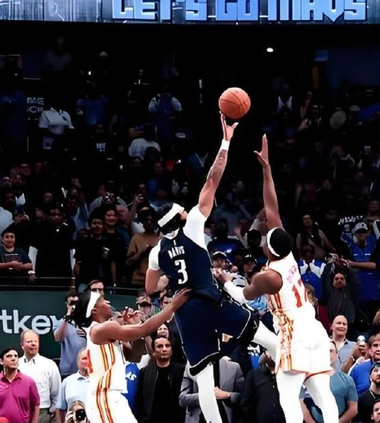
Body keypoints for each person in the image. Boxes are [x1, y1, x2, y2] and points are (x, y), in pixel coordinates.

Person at [144, 115, 278, 423]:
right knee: (273, 342)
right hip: (210, 300)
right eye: (182, 210)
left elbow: (151, 289)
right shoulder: (192, 225)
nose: (186, 210)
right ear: (179, 218)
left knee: (203, 380)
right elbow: (212, 179)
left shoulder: (156, 252)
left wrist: (172, 279)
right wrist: (225, 142)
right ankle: (291, 399)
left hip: (186, 313)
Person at [225, 134, 339, 423]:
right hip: (314, 329)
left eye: (265, 239)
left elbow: (243, 296)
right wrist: (266, 169)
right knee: (323, 394)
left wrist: (225, 280)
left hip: (294, 334)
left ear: (268, 249)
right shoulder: (286, 254)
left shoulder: (270, 277)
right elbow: (272, 207)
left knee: (288, 396)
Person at [68, 288, 189, 423]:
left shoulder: (107, 333)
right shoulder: (100, 329)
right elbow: (144, 330)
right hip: (104, 396)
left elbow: (134, 356)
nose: (108, 302)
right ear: (95, 310)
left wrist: (135, 324)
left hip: (113, 397)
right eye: (103, 300)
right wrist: (172, 306)